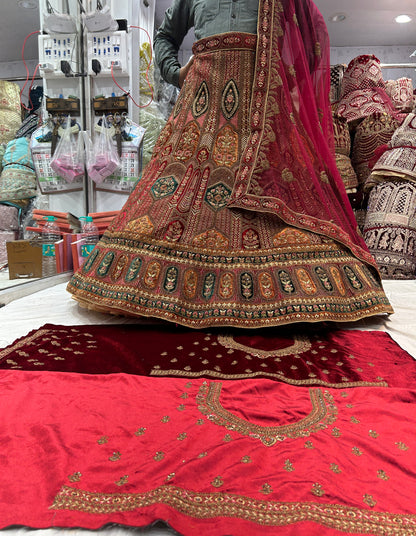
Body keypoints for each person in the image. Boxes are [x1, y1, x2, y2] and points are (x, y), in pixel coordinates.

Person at [67, 0, 393, 328]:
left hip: (260, 108)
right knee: (178, 195)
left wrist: (277, 86)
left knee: (273, 202)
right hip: (201, 102)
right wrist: (176, 73)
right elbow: (164, 36)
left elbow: (312, 43)